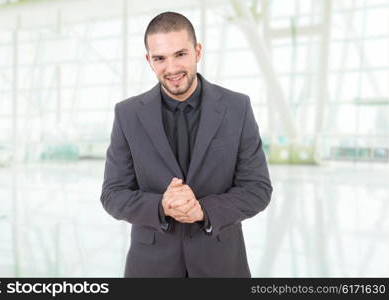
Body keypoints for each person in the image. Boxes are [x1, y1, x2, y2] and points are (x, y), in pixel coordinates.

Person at [100, 11, 272, 278]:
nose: (171, 69)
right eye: (160, 58)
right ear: (149, 60)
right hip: (150, 269)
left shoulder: (237, 108)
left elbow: (258, 189)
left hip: (222, 267)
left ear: (197, 51)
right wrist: (161, 207)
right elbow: (112, 194)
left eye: (180, 54)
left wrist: (203, 210)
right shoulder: (127, 114)